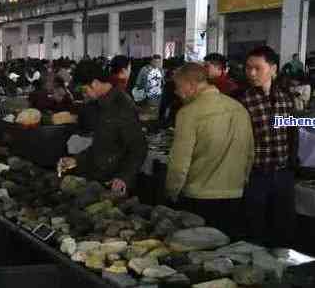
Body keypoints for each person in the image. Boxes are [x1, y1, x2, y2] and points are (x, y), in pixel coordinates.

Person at [166, 63, 254, 237]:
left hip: (199, 197)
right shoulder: (239, 108)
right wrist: (241, 182)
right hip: (235, 194)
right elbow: (250, 153)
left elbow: (179, 164)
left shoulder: (188, 113)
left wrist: (171, 192)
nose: (176, 92)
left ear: (190, 85)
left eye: (178, 87)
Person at [58, 60, 147, 196]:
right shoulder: (100, 105)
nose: (84, 95)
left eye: (84, 90)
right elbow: (101, 145)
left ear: (94, 83)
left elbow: (138, 148)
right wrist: (76, 160)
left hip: (114, 184)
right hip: (100, 178)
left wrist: (123, 178)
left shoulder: (122, 106)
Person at [239, 46, 297, 247]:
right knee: (255, 228)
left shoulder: (285, 98)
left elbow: (291, 130)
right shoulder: (242, 99)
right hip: (256, 175)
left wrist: (292, 161)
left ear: (273, 69)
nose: (251, 73)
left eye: (257, 68)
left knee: (283, 226)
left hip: (282, 173)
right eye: (248, 68)